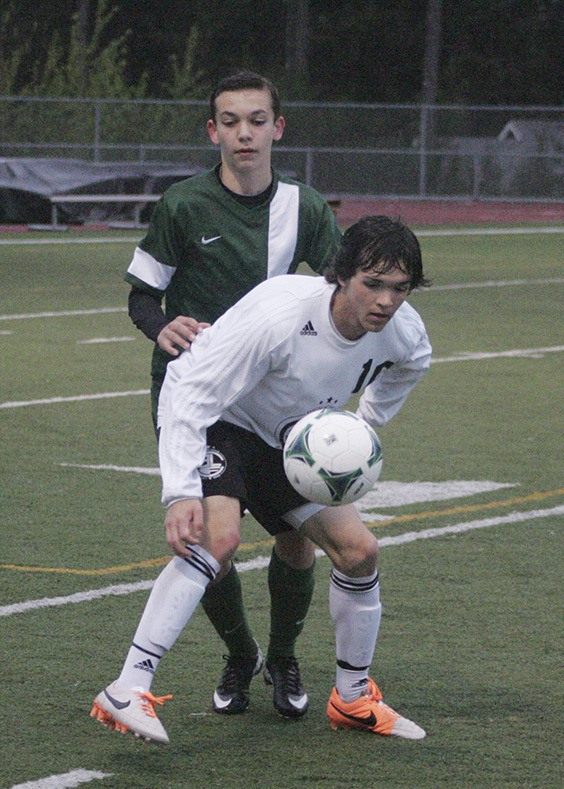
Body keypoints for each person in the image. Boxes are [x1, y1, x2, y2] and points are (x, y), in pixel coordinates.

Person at [91, 215, 432, 744]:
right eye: (373, 283)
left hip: (295, 441)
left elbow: (415, 362)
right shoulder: (282, 312)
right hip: (225, 421)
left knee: (360, 551)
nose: (386, 301)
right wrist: (181, 491)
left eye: (400, 288)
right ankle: (128, 685)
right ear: (341, 275)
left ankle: (352, 697)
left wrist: (361, 426)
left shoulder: (403, 331)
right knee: (218, 540)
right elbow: (188, 387)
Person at [124, 70, 342, 718]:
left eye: (255, 119)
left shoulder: (304, 207)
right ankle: (240, 653)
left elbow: (338, 290)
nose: (243, 132)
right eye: (229, 120)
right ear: (212, 130)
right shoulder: (183, 205)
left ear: (277, 127)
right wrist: (161, 324)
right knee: (212, 540)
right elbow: (142, 294)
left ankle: (282, 655)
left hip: (276, 406)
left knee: (298, 540)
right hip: (200, 402)